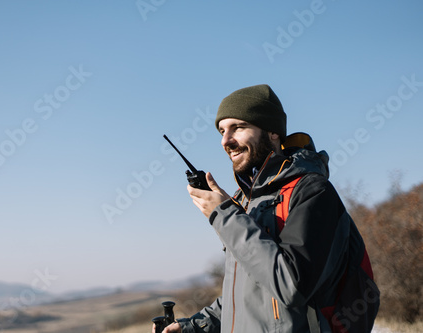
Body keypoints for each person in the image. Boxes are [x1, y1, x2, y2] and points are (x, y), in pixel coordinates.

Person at [154, 84, 374, 332]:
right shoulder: (244, 202)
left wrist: (225, 216)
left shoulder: (312, 191)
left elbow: (291, 286)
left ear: (272, 132)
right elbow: (247, 296)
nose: (226, 140)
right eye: (222, 130)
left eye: (238, 127)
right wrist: (193, 327)